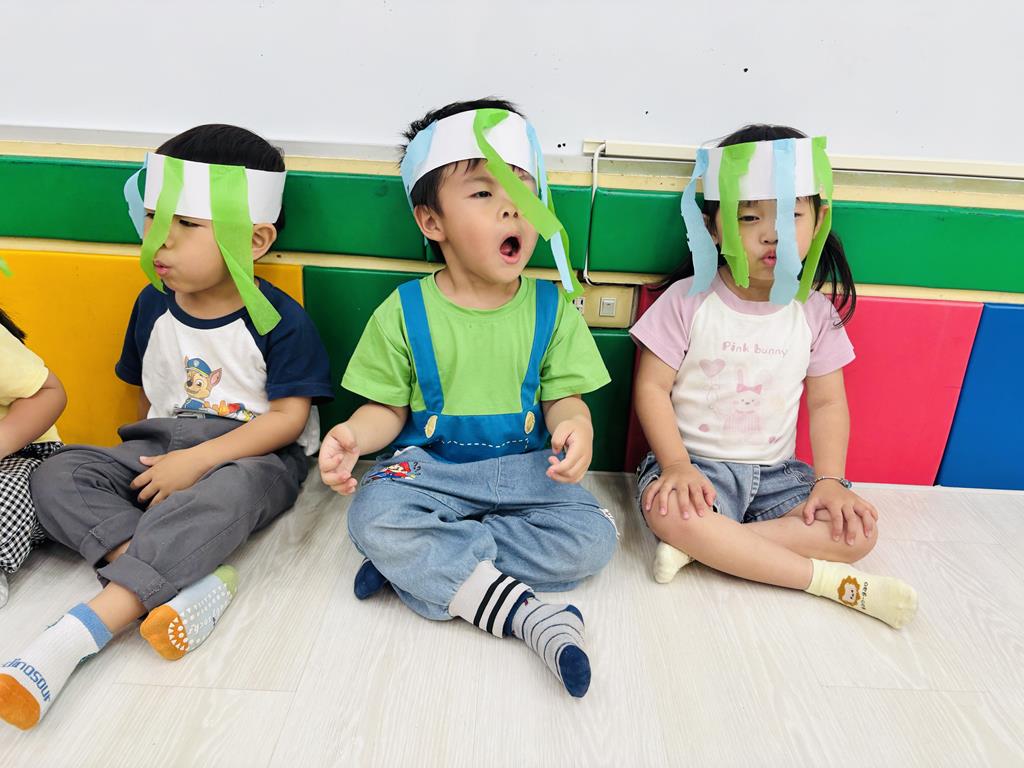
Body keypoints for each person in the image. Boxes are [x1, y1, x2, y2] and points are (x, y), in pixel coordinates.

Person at [1, 124, 332, 730]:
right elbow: (147, 397)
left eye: (187, 224)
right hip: (161, 445)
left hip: (251, 457)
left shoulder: (281, 321)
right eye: (155, 218)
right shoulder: (151, 304)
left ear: (255, 239)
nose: (161, 240)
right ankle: (176, 576)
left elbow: (289, 420)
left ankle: (81, 630)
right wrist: (146, 465)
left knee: (226, 495)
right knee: (55, 474)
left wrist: (199, 461)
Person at [320, 99, 617, 698]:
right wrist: (353, 435)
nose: (512, 207)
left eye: (524, 188)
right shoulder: (403, 311)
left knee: (595, 538)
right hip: (431, 475)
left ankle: (423, 566)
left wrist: (576, 426)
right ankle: (527, 614)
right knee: (371, 514)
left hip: (526, 474)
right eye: (484, 192)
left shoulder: (552, 309)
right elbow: (387, 411)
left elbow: (566, 399)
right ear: (432, 222)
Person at [632, 124, 917, 629]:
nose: (772, 233)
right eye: (749, 217)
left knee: (857, 532)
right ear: (713, 227)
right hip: (697, 469)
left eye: (791, 214)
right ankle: (822, 581)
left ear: (819, 220)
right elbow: (651, 388)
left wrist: (830, 482)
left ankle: (706, 548)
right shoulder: (688, 300)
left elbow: (828, 404)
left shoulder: (815, 313)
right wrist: (675, 465)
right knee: (670, 511)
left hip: (778, 477)